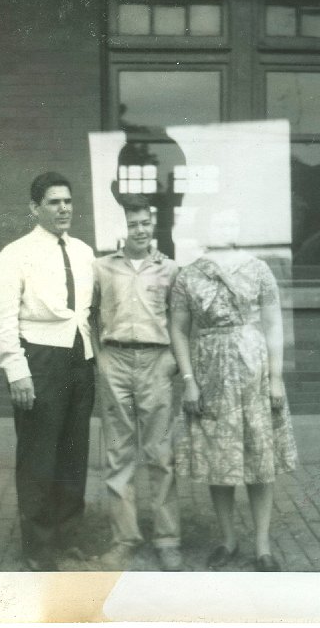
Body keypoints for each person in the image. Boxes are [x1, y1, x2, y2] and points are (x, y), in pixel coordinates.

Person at [169, 209, 298, 572]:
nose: (227, 225)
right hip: (210, 372)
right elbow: (178, 328)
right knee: (218, 457)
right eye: (219, 220)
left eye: (232, 220)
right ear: (206, 227)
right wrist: (189, 379)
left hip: (253, 370)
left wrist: (275, 377)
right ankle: (228, 539)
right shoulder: (189, 275)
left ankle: (262, 545)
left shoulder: (258, 269)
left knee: (260, 457)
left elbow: (274, 325)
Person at [0, 172, 96, 571]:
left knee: (74, 451)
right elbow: (2, 319)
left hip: (79, 357)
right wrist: (17, 371)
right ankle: (38, 546)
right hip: (40, 360)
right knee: (38, 454)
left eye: (67, 201)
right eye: (54, 202)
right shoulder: (15, 254)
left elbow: (89, 311)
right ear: (35, 209)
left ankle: (68, 537)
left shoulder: (84, 252)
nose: (64, 208)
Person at [91, 194, 183, 571]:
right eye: (133, 224)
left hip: (155, 363)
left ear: (153, 225)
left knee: (160, 454)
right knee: (118, 454)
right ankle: (125, 538)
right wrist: (101, 359)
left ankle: (168, 539)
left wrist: (173, 361)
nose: (141, 229)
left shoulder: (170, 269)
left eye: (146, 223)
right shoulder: (101, 268)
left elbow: (182, 321)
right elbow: (88, 316)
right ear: (122, 228)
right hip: (115, 361)